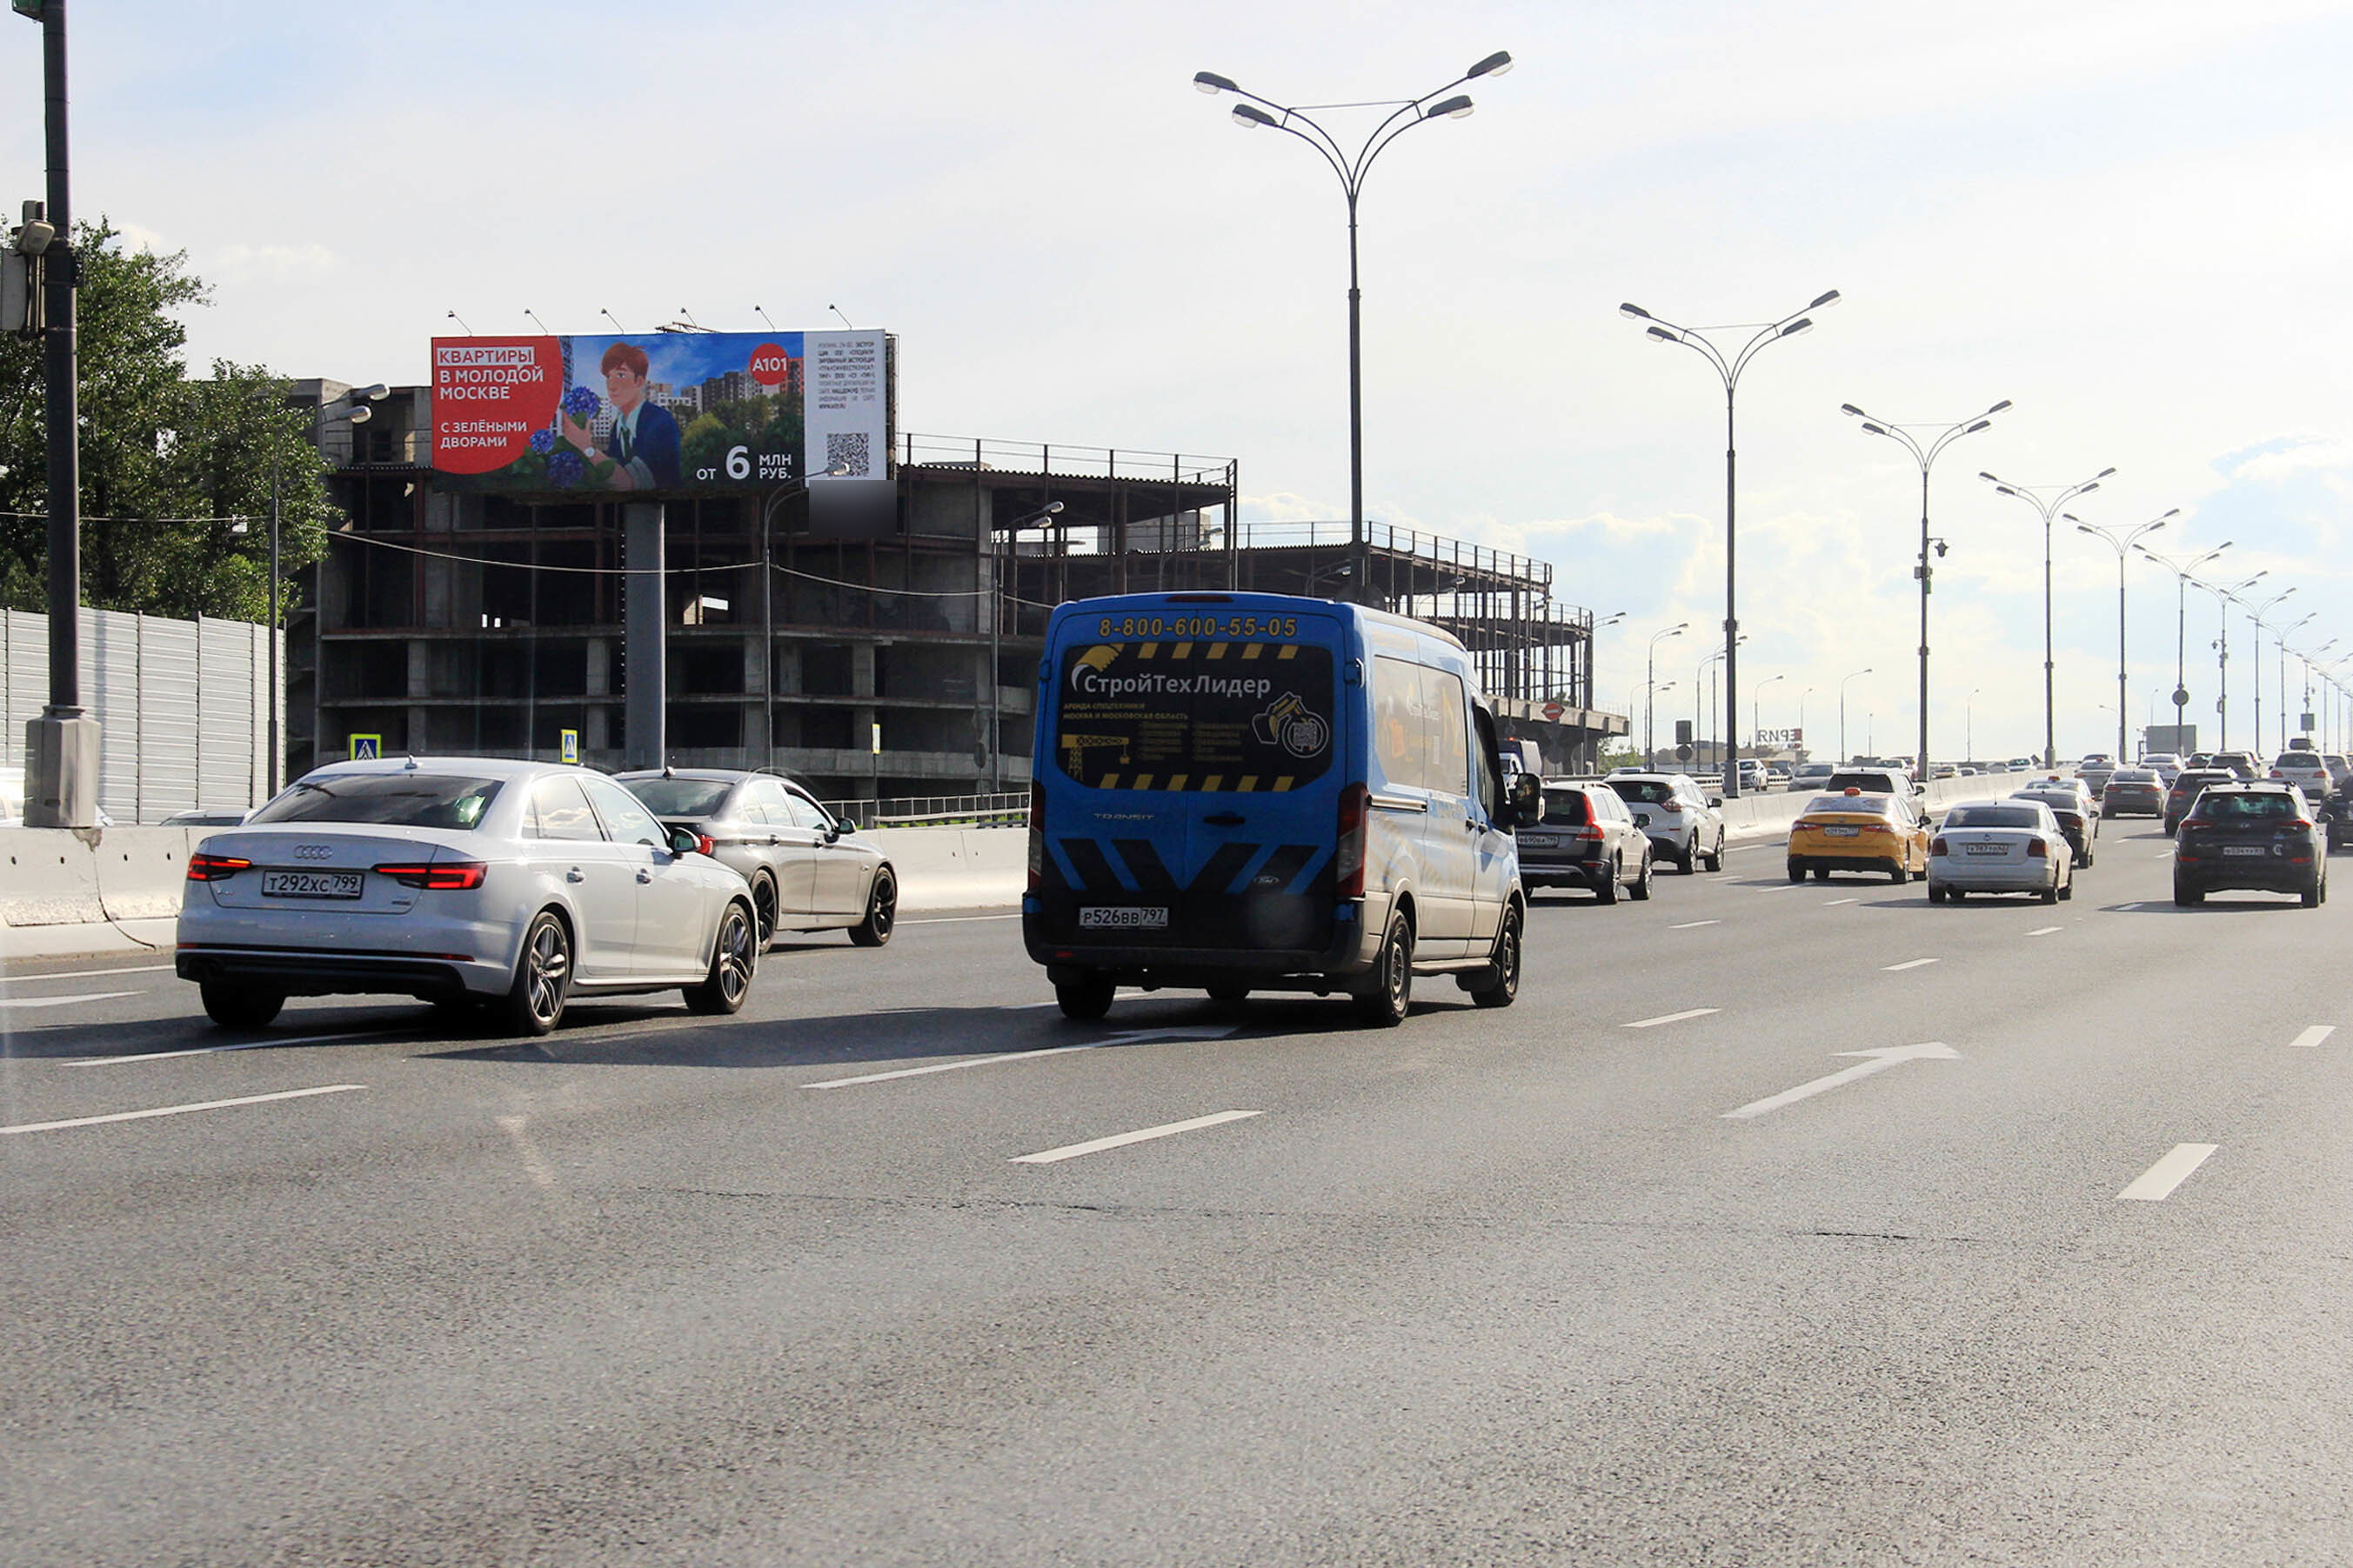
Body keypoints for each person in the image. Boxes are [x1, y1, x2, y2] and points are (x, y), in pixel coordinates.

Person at [561, 342, 682, 490]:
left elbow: (629, 484)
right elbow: (613, 482)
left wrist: (587, 448)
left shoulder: (661, 423)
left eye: (620, 374)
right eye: (608, 377)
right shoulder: (618, 426)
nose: (611, 385)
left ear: (639, 381)